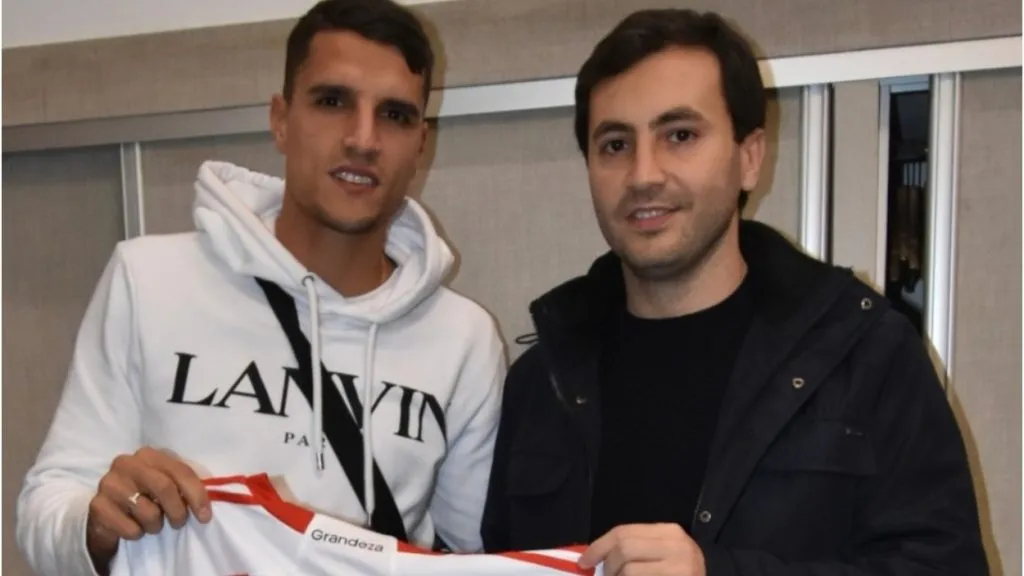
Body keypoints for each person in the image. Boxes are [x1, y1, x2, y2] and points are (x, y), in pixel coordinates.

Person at [481, 8, 988, 576]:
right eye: (616, 144)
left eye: (680, 135)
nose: (644, 174)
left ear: (749, 158)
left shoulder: (866, 356)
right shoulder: (540, 384)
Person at [16, 1, 506, 575]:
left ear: (420, 143)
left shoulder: (464, 338)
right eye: (332, 102)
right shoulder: (149, 279)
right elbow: (45, 509)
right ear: (281, 119)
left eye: (395, 115)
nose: (363, 139)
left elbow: (475, 557)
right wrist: (95, 524)